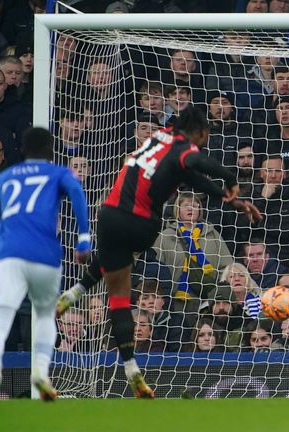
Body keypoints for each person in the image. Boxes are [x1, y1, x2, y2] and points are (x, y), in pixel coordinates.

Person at [92, 105, 261, 398]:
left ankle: (79, 290)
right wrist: (230, 179)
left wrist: (226, 197)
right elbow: (196, 162)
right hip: (148, 244)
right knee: (121, 284)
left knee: (113, 282)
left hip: (111, 216)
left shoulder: (159, 140)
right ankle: (131, 365)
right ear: (203, 133)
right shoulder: (181, 147)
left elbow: (192, 177)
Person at [0, 127, 91, 403]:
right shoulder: (58, 173)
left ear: (23, 150)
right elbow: (77, 193)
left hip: (9, 255)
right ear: (51, 149)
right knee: (44, 315)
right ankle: (40, 373)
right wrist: (83, 239)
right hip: (45, 255)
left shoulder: (6, 177)